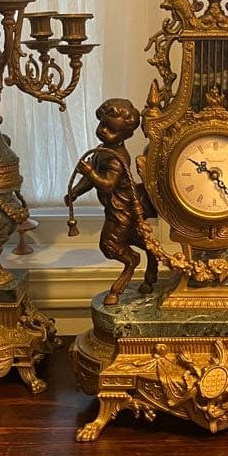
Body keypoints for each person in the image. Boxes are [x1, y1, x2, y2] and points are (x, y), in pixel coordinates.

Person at [65, 98, 158, 306]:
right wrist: (75, 193)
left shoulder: (118, 157)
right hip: (115, 208)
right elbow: (92, 180)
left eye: (111, 130)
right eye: (102, 125)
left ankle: (130, 265)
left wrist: (89, 171)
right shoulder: (102, 150)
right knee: (135, 239)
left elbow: (107, 184)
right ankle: (151, 265)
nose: (103, 131)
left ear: (125, 134)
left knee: (110, 246)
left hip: (120, 209)